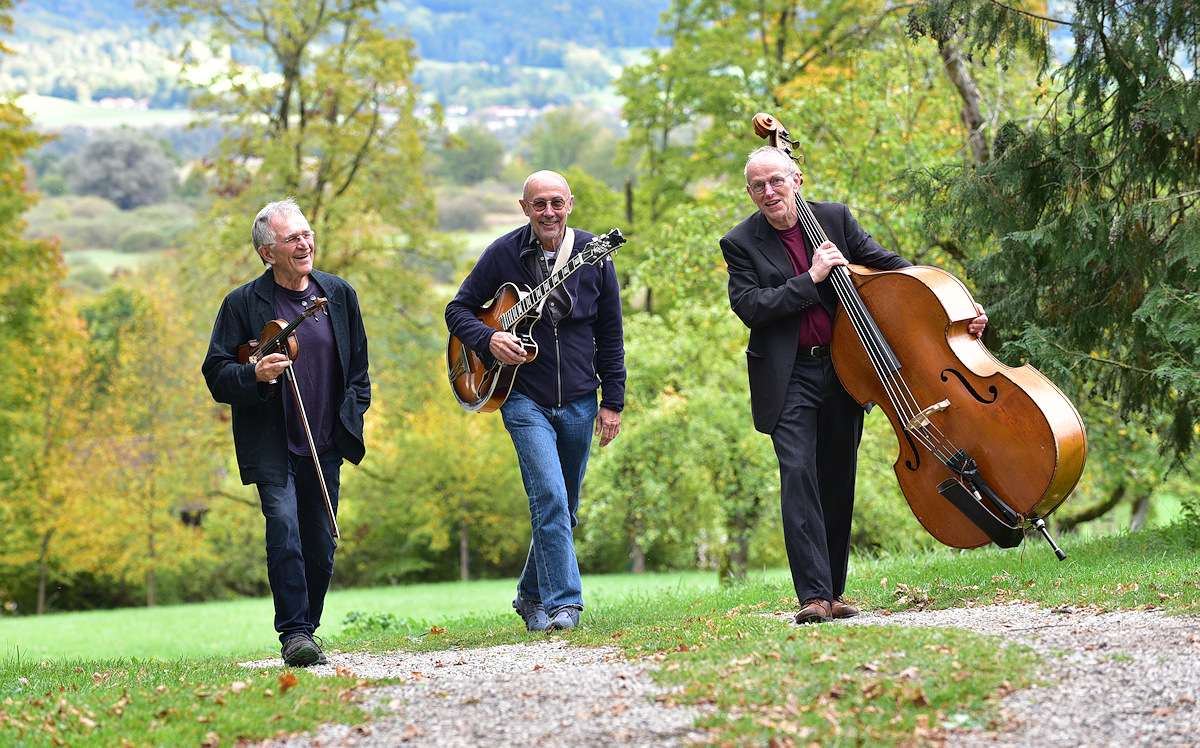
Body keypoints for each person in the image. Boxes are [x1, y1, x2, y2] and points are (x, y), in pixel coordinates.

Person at [720, 147, 987, 624]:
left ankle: (835, 592)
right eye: (758, 185)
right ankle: (813, 597)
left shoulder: (835, 219)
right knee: (798, 473)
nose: (769, 192)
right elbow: (752, 307)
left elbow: (893, 268)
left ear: (796, 179)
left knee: (837, 477)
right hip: (789, 374)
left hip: (848, 370)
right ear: (749, 192)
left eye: (776, 181)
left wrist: (957, 311)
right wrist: (811, 278)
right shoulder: (740, 242)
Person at [445, 170, 625, 632]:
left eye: (557, 203)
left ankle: (529, 595)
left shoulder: (593, 255)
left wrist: (614, 400)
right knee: (548, 496)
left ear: (570, 205)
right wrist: (488, 340)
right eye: (539, 204)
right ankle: (567, 605)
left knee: (565, 509)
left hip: (583, 399)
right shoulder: (503, 253)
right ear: (524, 207)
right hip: (522, 396)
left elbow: (610, 333)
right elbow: (457, 309)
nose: (549, 212)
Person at [202, 198, 371, 665]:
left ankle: (308, 628)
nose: (304, 243)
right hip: (273, 444)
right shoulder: (241, 304)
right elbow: (216, 373)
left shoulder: (338, 294)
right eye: (291, 238)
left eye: (306, 234)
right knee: (284, 531)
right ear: (267, 252)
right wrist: (253, 376)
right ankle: (294, 634)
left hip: (325, 442)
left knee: (320, 543)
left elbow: (359, 372)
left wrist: (349, 419)